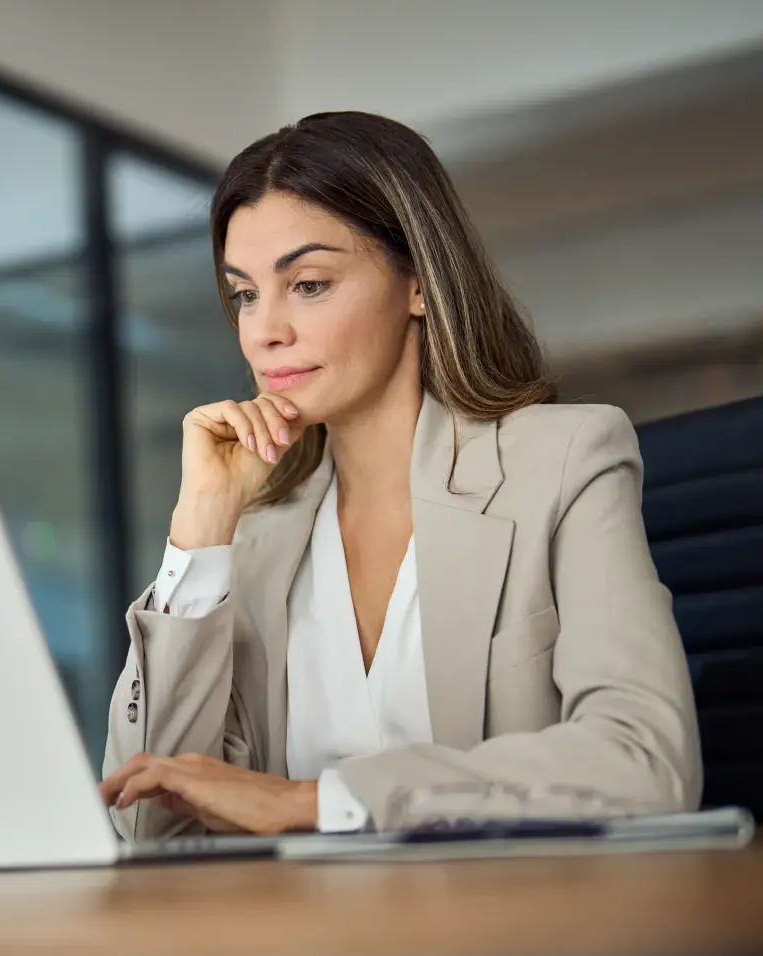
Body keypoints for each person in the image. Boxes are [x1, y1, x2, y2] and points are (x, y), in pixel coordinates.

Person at [98, 112, 702, 839]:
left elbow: (646, 759)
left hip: (515, 936)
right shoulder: (254, 540)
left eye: (310, 284)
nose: (264, 331)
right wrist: (199, 535)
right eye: (245, 294)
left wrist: (316, 802)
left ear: (418, 282)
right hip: (300, 943)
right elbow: (148, 829)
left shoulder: (566, 461)